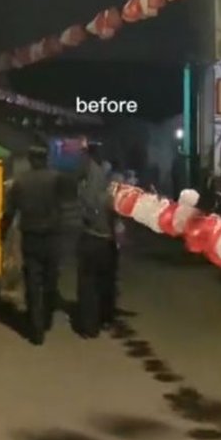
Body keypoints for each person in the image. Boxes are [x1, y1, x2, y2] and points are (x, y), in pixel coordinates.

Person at [0, 142, 65, 345]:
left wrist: (1, 232)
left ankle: (36, 330)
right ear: (46, 158)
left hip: (31, 238)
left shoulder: (21, 182)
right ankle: (45, 319)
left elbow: (10, 212)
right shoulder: (57, 180)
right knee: (50, 279)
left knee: (33, 282)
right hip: (53, 238)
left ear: (30, 159)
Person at [76, 143, 119, 338]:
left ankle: (89, 327)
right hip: (106, 241)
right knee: (106, 283)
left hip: (90, 238)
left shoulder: (85, 182)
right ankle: (105, 319)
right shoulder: (112, 184)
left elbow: (84, 208)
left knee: (88, 284)